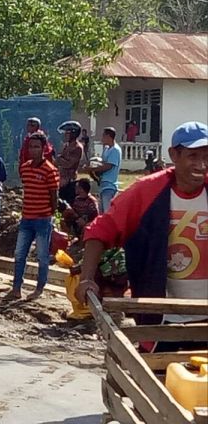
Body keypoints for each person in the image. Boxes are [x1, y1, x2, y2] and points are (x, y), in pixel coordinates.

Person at [77, 121, 208, 353]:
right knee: (161, 382)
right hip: (162, 316)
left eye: (207, 156)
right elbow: (100, 231)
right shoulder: (147, 192)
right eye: (193, 155)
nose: (201, 164)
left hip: (206, 316)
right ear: (174, 155)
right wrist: (87, 278)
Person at [6, 131, 60, 301]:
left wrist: (50, 214)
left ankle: (39, 288)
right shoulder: (25, 167)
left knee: (42, 256)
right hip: (26, 218)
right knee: (19, 254)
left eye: (37, 147)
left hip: (43, 219)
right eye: (30, 146)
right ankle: (16, 288)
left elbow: (54, 196)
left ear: (44, 148)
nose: (33, 150)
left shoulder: (50, 170)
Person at [85, 127, 121, 213]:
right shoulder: (106, 149)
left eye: (103, 136)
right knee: (101, 213)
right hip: (102, 185)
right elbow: (103, 162)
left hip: (109, 186)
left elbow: (108, 166)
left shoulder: (115, 150)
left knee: (107, 212)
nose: (102, 138)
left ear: (109, 136)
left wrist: (92, 168)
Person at [56, 121, 84, 205]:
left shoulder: (77, 147)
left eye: (67, 133)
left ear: (74, 134)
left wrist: (60, 159)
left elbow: (69, 164)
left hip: (69, 181)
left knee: (67, 205)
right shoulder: (66, 145)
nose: (65, 135)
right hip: (61, 180)